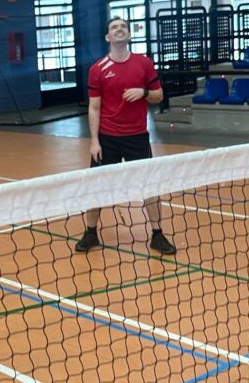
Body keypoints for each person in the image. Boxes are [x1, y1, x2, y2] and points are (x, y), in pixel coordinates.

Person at [74, 17, 176, 255]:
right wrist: (94, 141)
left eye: (123, 27)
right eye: (114, 27)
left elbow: (158, 95)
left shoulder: (144, 63)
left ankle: (157, 234)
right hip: (107, 138)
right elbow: (94, 107)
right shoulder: (97, 69)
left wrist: (143, 93)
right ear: (107, 37)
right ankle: (90, 232)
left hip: (137, 137)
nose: (119, 30)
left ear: (129, 35)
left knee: (149, 186)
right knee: (95, 187)